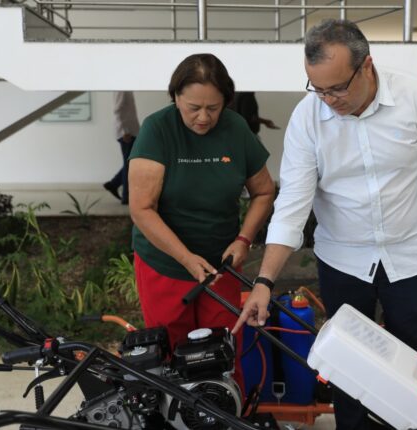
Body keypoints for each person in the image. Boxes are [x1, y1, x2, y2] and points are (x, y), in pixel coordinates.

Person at [234, 19, 417, 429]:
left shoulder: (416, 98)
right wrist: (264, 281)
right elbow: (292, 204)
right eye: (318, 89)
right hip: (343, 259)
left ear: (367, 66)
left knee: (410, 362)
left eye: (337, 88)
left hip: (412, 256)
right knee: (347, 364)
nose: (328, 100)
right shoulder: (308, 118)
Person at [127, 53, 275, 391]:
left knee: (223, 349)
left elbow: (264, 192)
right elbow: (142, 209)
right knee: (170, 353)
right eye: (193, 107)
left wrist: (243, 239)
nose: (204, 117)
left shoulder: (236, 129)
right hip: (164, 264)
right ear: (175, 97)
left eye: (213, 107)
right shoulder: (157, 130)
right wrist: (186, 258)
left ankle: (227, 410)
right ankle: (177, 413)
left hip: (221, 265)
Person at [104, 91, 140, 205]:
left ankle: (114, 184)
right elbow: (117, 110)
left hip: (132, 131)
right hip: (127, 133)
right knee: (130, 164)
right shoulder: (121, 89)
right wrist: (125, 131)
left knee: (131, 163)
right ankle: (126, 196)